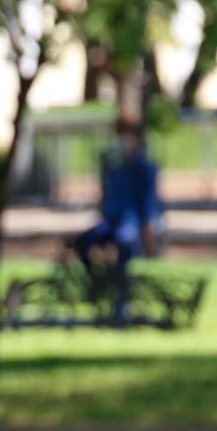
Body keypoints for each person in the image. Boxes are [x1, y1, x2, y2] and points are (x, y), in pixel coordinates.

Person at [68, 117, 162, 321]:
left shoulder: (144, 168)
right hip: (112, 220)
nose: (122, 141)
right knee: (83, 241)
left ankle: (122, 302)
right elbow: (107, 201)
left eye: (126, 136)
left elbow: (148, 207)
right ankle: (98, 285)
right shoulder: (114, 167)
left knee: (123, 243)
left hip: (131, 223)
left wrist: (149, 237)